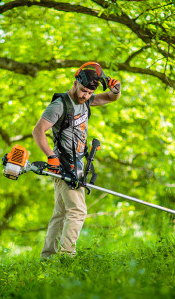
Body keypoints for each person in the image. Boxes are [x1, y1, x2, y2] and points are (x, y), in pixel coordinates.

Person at [32, 62, 122, 259]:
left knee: (61, 214)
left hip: (78, 165)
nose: (85, 96)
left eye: (89, 93)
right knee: (78, 211)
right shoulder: (59, 105)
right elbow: (38, 131)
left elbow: (110, 97)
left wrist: (116, 88)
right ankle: (66, 257)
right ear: (75, 83)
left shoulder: (86, 101)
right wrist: (51, 157)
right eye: (83, 91)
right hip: (64, 166)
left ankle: (47, 258)